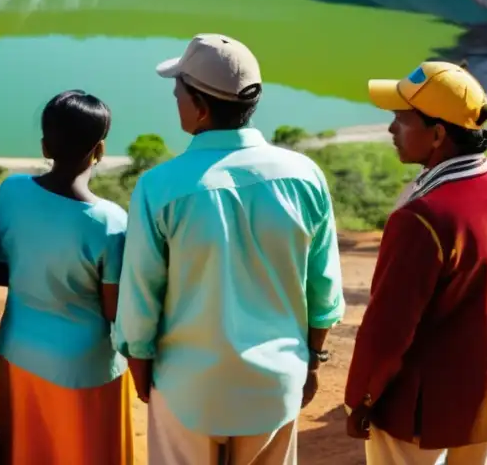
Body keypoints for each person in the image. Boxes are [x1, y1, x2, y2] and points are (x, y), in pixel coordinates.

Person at [114, 33, 346, 465]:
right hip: (274, 385)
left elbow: (141, 294)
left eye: (178, 89)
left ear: (200, 106)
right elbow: (324, 289)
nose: (174, 96)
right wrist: (312, 360)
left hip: (187, 389)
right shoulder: (305, 176)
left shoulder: (160, 187)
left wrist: (141, 367)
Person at [344, 61, 487, 465]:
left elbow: (388, 329)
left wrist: (360, 398)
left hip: (420, 410)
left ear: (437, 134)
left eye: (402, 119)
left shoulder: (422, 217)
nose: (391, 129)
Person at [0, 90, 134, 465]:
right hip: (86, 366)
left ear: (45, 145)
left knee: (29, 452)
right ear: (99, 151)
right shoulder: (111, 222)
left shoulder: (11, 191)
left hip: (19, 353)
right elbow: (114, 309)